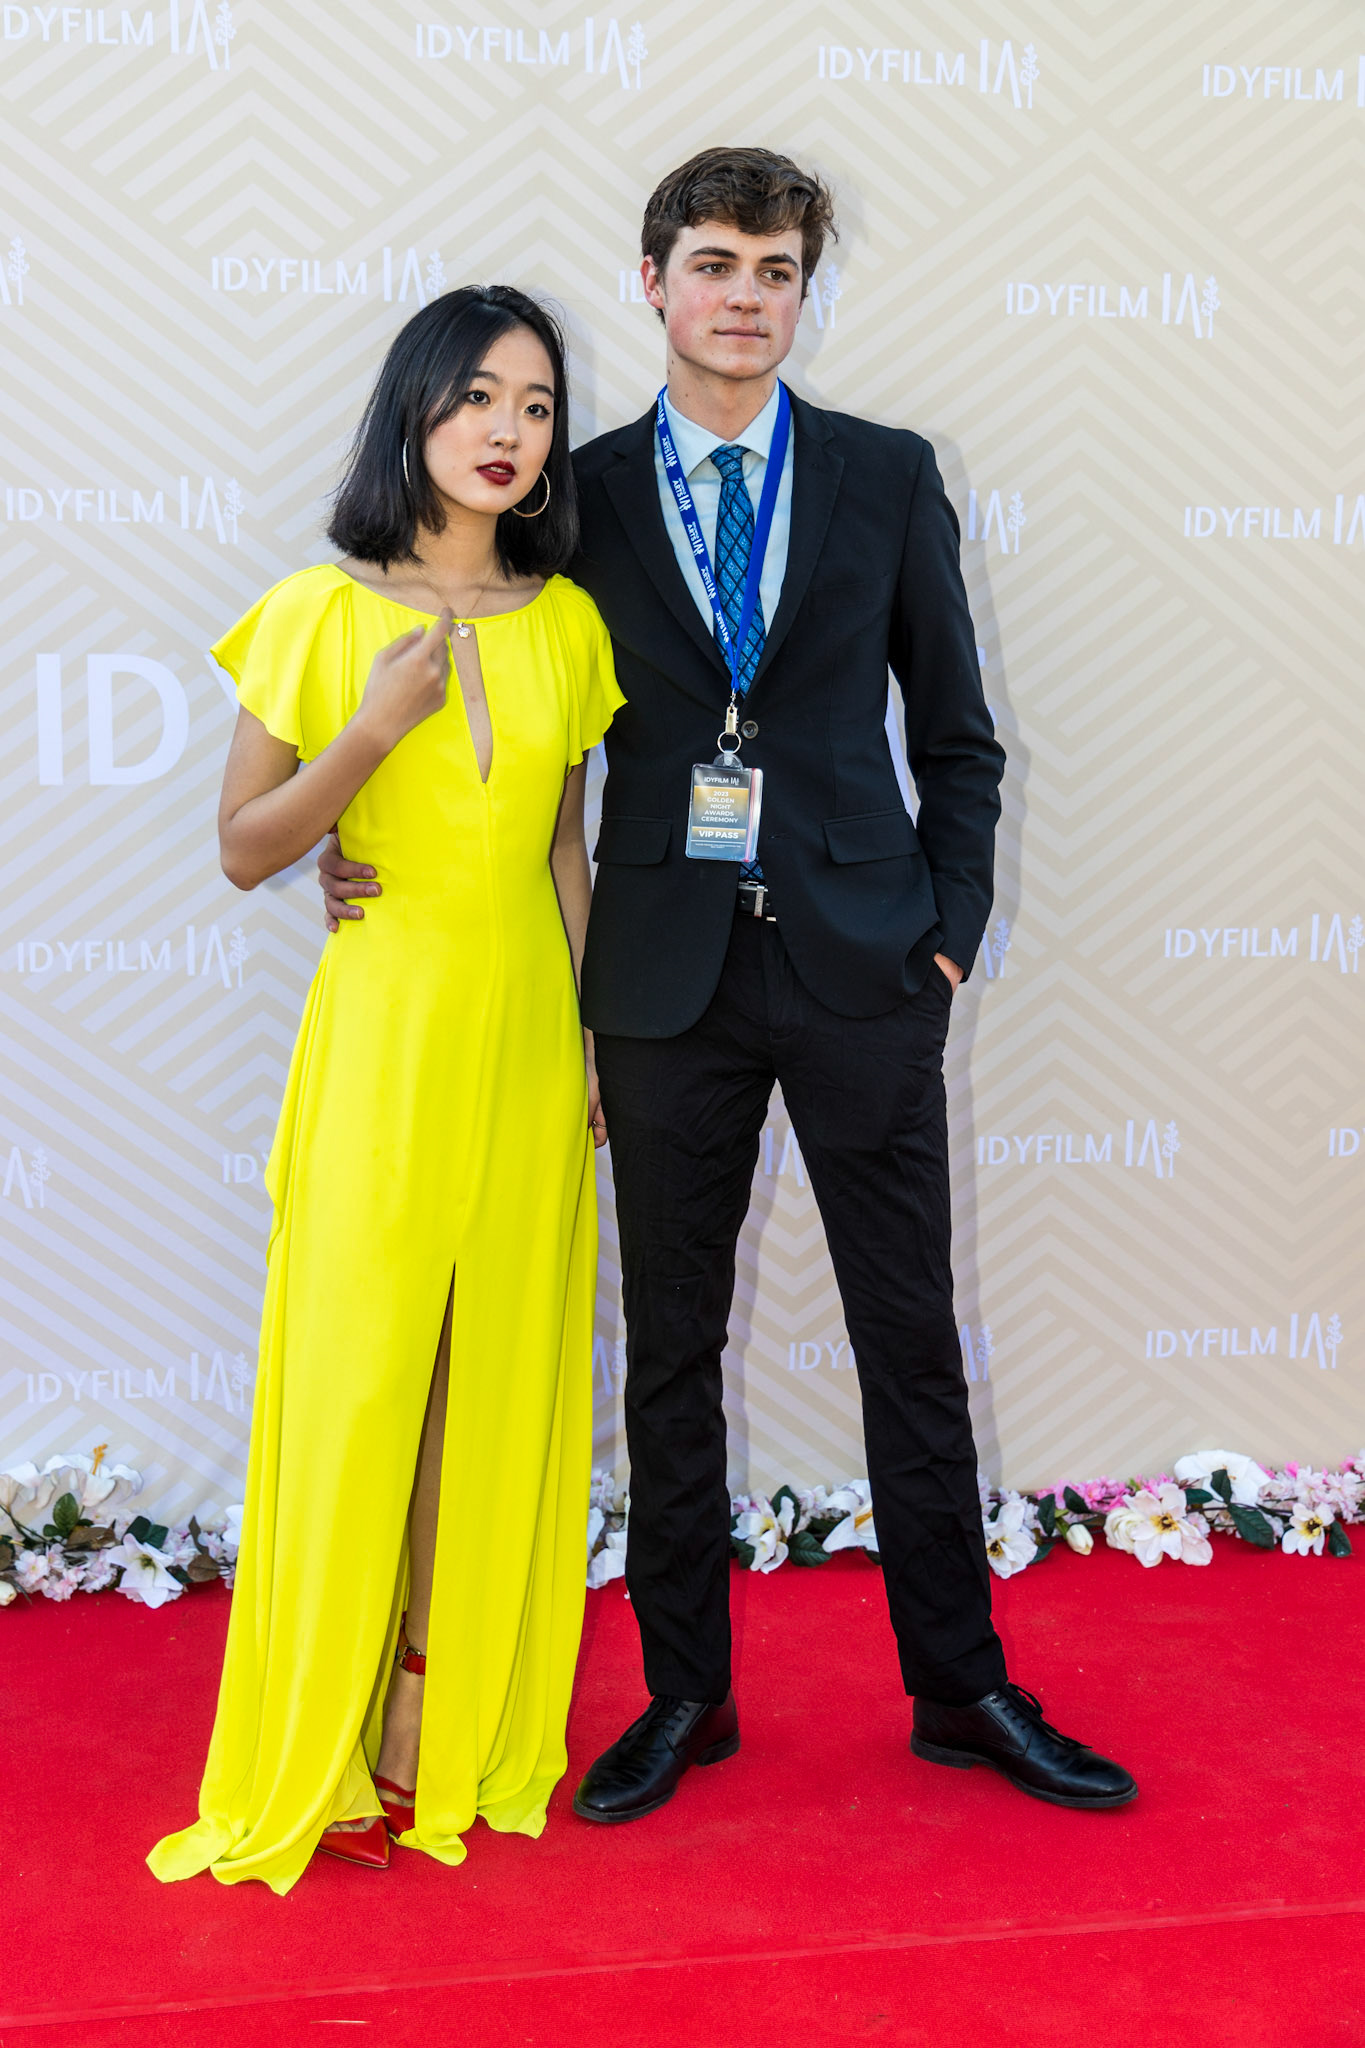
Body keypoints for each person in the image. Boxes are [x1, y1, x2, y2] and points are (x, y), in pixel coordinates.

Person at [322, 149, 1136, 1823]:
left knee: (907, 1336)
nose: (743, 297)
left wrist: (946, 930)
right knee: (669, 1350)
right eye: (712, 264)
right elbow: (490, 672)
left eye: (774, 271)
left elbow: (959, 735)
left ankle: (960, 1685)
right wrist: (358, 826)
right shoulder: (576, 493)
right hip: (656, 980)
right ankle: (685, 1692)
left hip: (862, 968)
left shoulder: (886, 473)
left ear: (803, 292)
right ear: (654, 283)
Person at [149, 285, 622, 1893]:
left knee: (488, 1384)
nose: (507, 432)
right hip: (380, 1035)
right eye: (477, 396)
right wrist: (367, 735)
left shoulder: (568, 623)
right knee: (363, 1384)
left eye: (536, 407)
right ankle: (321, 1724)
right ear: (414, 409)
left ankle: (434, 1703)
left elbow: (563, 854)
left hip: (527, 1041)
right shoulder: (316, 609)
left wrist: (592, 1047)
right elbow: (246, 849)